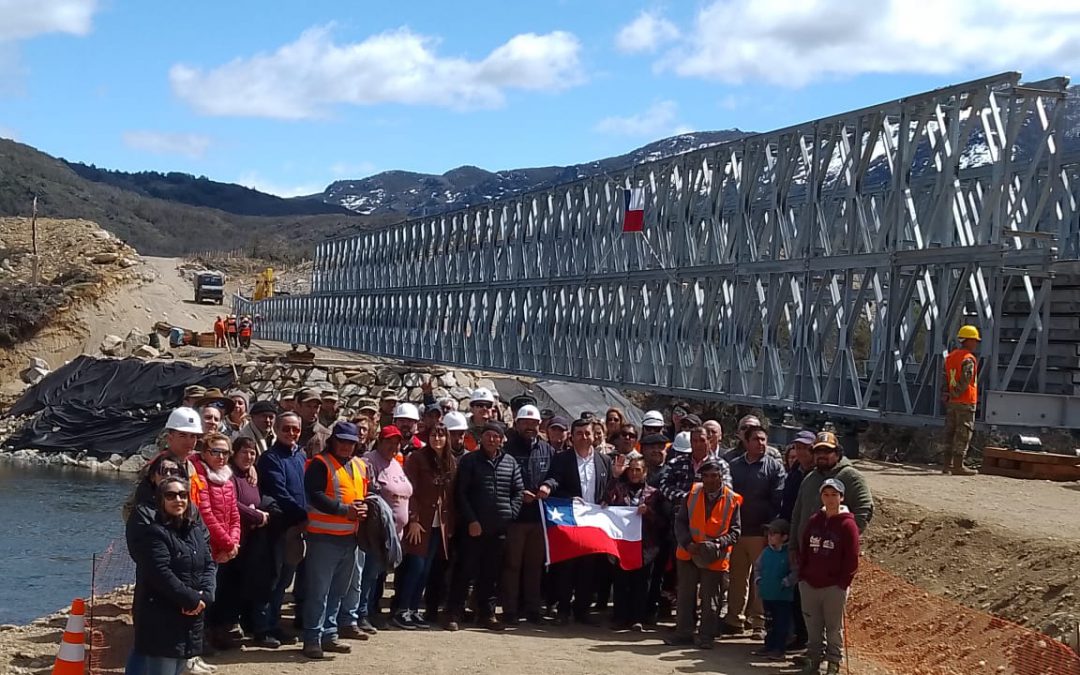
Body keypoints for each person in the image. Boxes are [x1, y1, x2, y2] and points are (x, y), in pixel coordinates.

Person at [538, 418, 624, 625]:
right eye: (579, 434)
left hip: (593, 522)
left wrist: (615, 478)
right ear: (572, 436)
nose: (584, 437)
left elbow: (608, 490)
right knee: (566, 567)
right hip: (570, 519)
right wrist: (548, 487)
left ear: (594, 436)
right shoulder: (561, 459)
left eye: (588, 433)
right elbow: (555, 478)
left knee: (589, 568)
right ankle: (563, 609)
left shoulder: (604, 460)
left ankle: (582, 610)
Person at [127, 477, 216, 675]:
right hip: (161, 621)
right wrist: (191, 599)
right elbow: (160, 574)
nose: (178, 500)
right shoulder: (154, 534)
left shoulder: (195, 531)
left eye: (183, 495)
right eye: (171, 495)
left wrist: (206, 595)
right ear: (161, 501)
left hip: (190, 620)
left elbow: (209, 564)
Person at [446, 422, 523, 631]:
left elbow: (518, 491)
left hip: (498, 529)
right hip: (473, 528)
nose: (492, 440)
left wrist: (510, 514)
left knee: (491, 574)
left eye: (496, 436)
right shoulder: (470, 461)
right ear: (481, 438)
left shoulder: (511, 462)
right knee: (464, 572)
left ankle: (487, 614)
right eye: (488, 436)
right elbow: (461, 493)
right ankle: (454, 613)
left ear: (501, 440)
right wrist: (471, 520)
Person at [302, 422, 368, 659]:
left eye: (351, 442)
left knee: (338, 591)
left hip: (350, 538)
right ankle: (312, 638)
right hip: (323, 538)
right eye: (342, 441)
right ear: (333, 440)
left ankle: (329, 635)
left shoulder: (359, 465)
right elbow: (315, 495)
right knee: (318, 591)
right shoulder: (320, 463)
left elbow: (363, 495)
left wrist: (365, 508)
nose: (346, 446)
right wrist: (344, 510)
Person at [666, 460, 742, 649]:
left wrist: (717, 543)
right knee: (685, 595)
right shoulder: (691, 494)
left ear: (721, 477)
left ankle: (707, 636)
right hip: (688, 552)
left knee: (711, 599)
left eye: (714, 476)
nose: (709, 480)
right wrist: (686, 542)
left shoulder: (732, 499)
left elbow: (735, 532)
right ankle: (683, 633)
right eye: (705, 476)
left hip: (714, 555)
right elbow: (680, 522)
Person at [723, 426, 785, 639]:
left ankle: (758, 622)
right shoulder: (734, 466)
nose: (761, 443)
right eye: (756, 439)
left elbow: (778, 499)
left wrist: (771, 530)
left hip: (761, 533)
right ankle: (734, 619)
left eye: (763, 439)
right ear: (746, 442)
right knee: (737, 579)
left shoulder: (774, 467)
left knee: (760, 579)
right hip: (737, 532)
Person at [252, 412, 307, 648]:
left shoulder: (300, 455)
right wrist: (304, 515)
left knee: (285, 580)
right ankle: (262, 629)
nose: (291, 433)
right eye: (286, 429)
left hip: (296, 528)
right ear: (276, 429)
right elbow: (279, 492)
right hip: (278, 527)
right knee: (270, 580)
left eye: (295, 429)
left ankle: (274, 624)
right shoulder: (270, 458)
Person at [395, 421, 457, 628]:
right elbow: (409, 491)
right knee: (415, 566)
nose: (437, 439)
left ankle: (413, 609)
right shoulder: (417, 459)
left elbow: (451, 495)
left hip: (440, 523)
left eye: (441, 435)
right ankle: (402, 609)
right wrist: (413, 519)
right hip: (420, 522)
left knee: (426, 569)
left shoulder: (451, 461)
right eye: (433, 435)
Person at [216, 437, 274, 651]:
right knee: (227, 587)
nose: (248, 457)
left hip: (251, 540)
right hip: (232, 538)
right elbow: (232, 503)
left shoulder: (251, 474)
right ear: (234, 453)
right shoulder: (228, 475)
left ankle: (241, 626)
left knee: (245, 585)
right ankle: (221, 630)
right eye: (244, 452)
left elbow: (260, 497)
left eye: (252, 453)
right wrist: (257, 516)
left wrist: (267, 511)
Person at [797, 479, 859, 675]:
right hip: (810, 583)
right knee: (813, 626)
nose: (830, 499)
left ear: (841, 497)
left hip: (834, 586)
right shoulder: (814, 520)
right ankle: (813, 660)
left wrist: (843, 583)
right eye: (826, 494)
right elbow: (804, 548)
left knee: (833, 628)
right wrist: (802, 576)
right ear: (821, 497)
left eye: (834, 495)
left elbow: (852, 557)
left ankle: (833, 663)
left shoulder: (848, 525)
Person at [355, 426, 413, 632]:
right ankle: (360, 614)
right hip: (374, 532)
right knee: (368, 575)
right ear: (379, 441)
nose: (393, 446)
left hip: (394, 534)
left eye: (397, 442)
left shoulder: (396, 463)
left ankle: (370, 612)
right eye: (389, 441)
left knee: (377, 576)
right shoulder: (368, 462)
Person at [501, 404, 555, 624]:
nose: (530, 427)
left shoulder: (547, 449)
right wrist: (518, 491)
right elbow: (501, 477)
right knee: (512, 565)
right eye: (525, 423)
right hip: (516, 517)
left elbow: (555, 474)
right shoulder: (508, 448)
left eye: (534, 423)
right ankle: (510, 610)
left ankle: (533, 609)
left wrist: (548, 486)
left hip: (539, 518)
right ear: (517, 424)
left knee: (534, 566)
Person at [191, 433, 241, 649]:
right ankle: (198, 641)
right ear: (205, 453)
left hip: (224, 547)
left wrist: (234, 543)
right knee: (203, 595)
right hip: (206, 546)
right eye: (215, 451)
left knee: (219, 594)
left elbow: (235, 515)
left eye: (225, 452)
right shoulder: (201, 478)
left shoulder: (228, 481)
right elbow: (206, 515)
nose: (221, 457)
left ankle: (212, 636)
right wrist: (228, 544)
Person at [605, 453, 663, 631]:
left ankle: (638, 617)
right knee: (621, 582)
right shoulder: (619, 489)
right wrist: (614, 478)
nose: (634, 473)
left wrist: (649, 513)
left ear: (645, 472)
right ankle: (620, 617)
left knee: (641, 583)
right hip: (622, 545)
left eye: (638, 470)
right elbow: (605, 502)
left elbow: (663, 521)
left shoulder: (654, 494)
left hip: (645, 547)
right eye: (631, 470)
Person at [789, 431, 873, 546]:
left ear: (838, 454)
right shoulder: (810, 478)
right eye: (818, 451)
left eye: (827, 451)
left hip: (834, 554)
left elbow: (865, 509)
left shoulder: (851, 477)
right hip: (805, 553)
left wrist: (845, 538)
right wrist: (793, 545)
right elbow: (797, 514)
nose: (822, 455)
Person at [780, 430, 817, 650]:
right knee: (794, 591)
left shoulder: (819, 475)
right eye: (798, 447)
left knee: (808, 593)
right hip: (792, 537)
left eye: (806, 448)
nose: (801, 452)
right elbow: (788, 507)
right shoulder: (795, 472)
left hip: (814, 542)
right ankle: (799, 636)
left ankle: (809, 642)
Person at [753, 519, 796, 661]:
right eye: (769, 534)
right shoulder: (765, 552)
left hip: (783, 596)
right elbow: (758, 567)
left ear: (784, 537)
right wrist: (758, 579)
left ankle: (779, 649)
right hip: (767, 594)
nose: (770, 536)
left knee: (782, 624)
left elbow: (795, 571)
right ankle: (769, 646)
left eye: (774, 534)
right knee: (769, 623)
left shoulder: (789, 554)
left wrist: (787, 581)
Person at [941, 325, 980, 475]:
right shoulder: (968, 359)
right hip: (965, 401)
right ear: (968, 341)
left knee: (950, 432)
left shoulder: (950, 357)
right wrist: (957, 393)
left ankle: (946, 465)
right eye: (974, 340)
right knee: (963, 433)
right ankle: (958, 466)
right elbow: (966, 379)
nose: (976, 343)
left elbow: (944, 377)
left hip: (952, 402)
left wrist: (947, 394)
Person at [659, 425, 732, 507]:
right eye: (695, 441)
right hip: (680, 513)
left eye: (702, 440)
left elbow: (727, 488)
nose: (698, 444)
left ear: (709, 441)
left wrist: (702, 498)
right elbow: (664, 485)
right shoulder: (676, 462)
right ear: (690, 442)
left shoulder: (721, 465)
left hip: (709, 513)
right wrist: (685, 498)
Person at [296, 388, 332, 456]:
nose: (312, 411)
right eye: (308, 406)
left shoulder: (326, 436)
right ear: (299, 406)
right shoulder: (289, 432)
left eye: (316, 407)